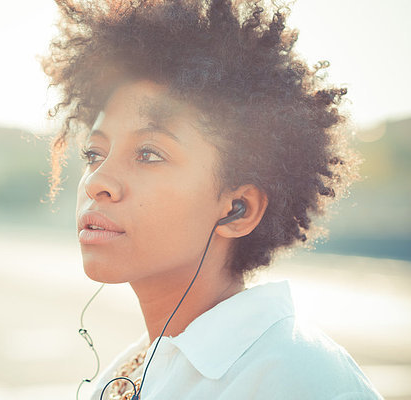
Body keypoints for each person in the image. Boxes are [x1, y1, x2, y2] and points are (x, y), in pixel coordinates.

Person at [39, 0, 383, 399]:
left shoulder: (294, 377)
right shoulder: (139, 366)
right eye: (94, 154)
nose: (98, 181)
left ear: (238, 209)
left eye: (149, 154)